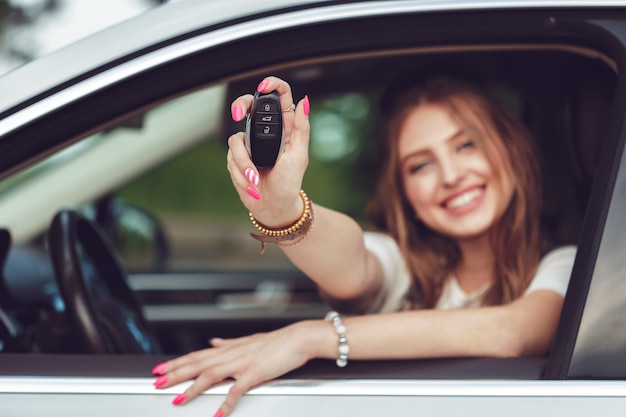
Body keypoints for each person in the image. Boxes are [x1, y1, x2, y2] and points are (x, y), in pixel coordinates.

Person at [150, 74, 576, 417]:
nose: (450, 175)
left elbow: (510, 334)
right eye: (421, 165)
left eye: (466, 145)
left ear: (511, 149)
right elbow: (350, 265)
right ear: (403, 191)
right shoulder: (402, 265)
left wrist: (309, 338)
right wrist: (281, 208)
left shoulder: (568, 266)